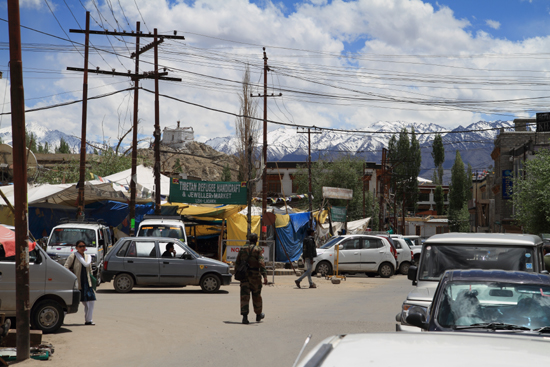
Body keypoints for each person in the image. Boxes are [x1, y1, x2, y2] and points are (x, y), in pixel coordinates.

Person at [235, 233, 268, 324]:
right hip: (255, 277)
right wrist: (264, 275)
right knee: (256, 296)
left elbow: (237, 263)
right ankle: (258, 315)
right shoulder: (258, 249)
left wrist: (237, 274)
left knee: (244, 296)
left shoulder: (242, 249)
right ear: (256, 240)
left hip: (244, 276)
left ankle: (245, 317)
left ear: (249, 240)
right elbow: (261, 263)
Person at [65, 240, 96, 325]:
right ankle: (60, 318)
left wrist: (92, 281)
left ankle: (89, 320)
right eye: (80, 246)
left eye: (84, 246)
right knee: (70, 302)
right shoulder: (73, 256)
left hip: (87, 283)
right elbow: (66, 267)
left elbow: (90, 271)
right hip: (78, 284)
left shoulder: (88, 257)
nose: (82, 248)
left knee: (91, 301)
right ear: (76, 248)